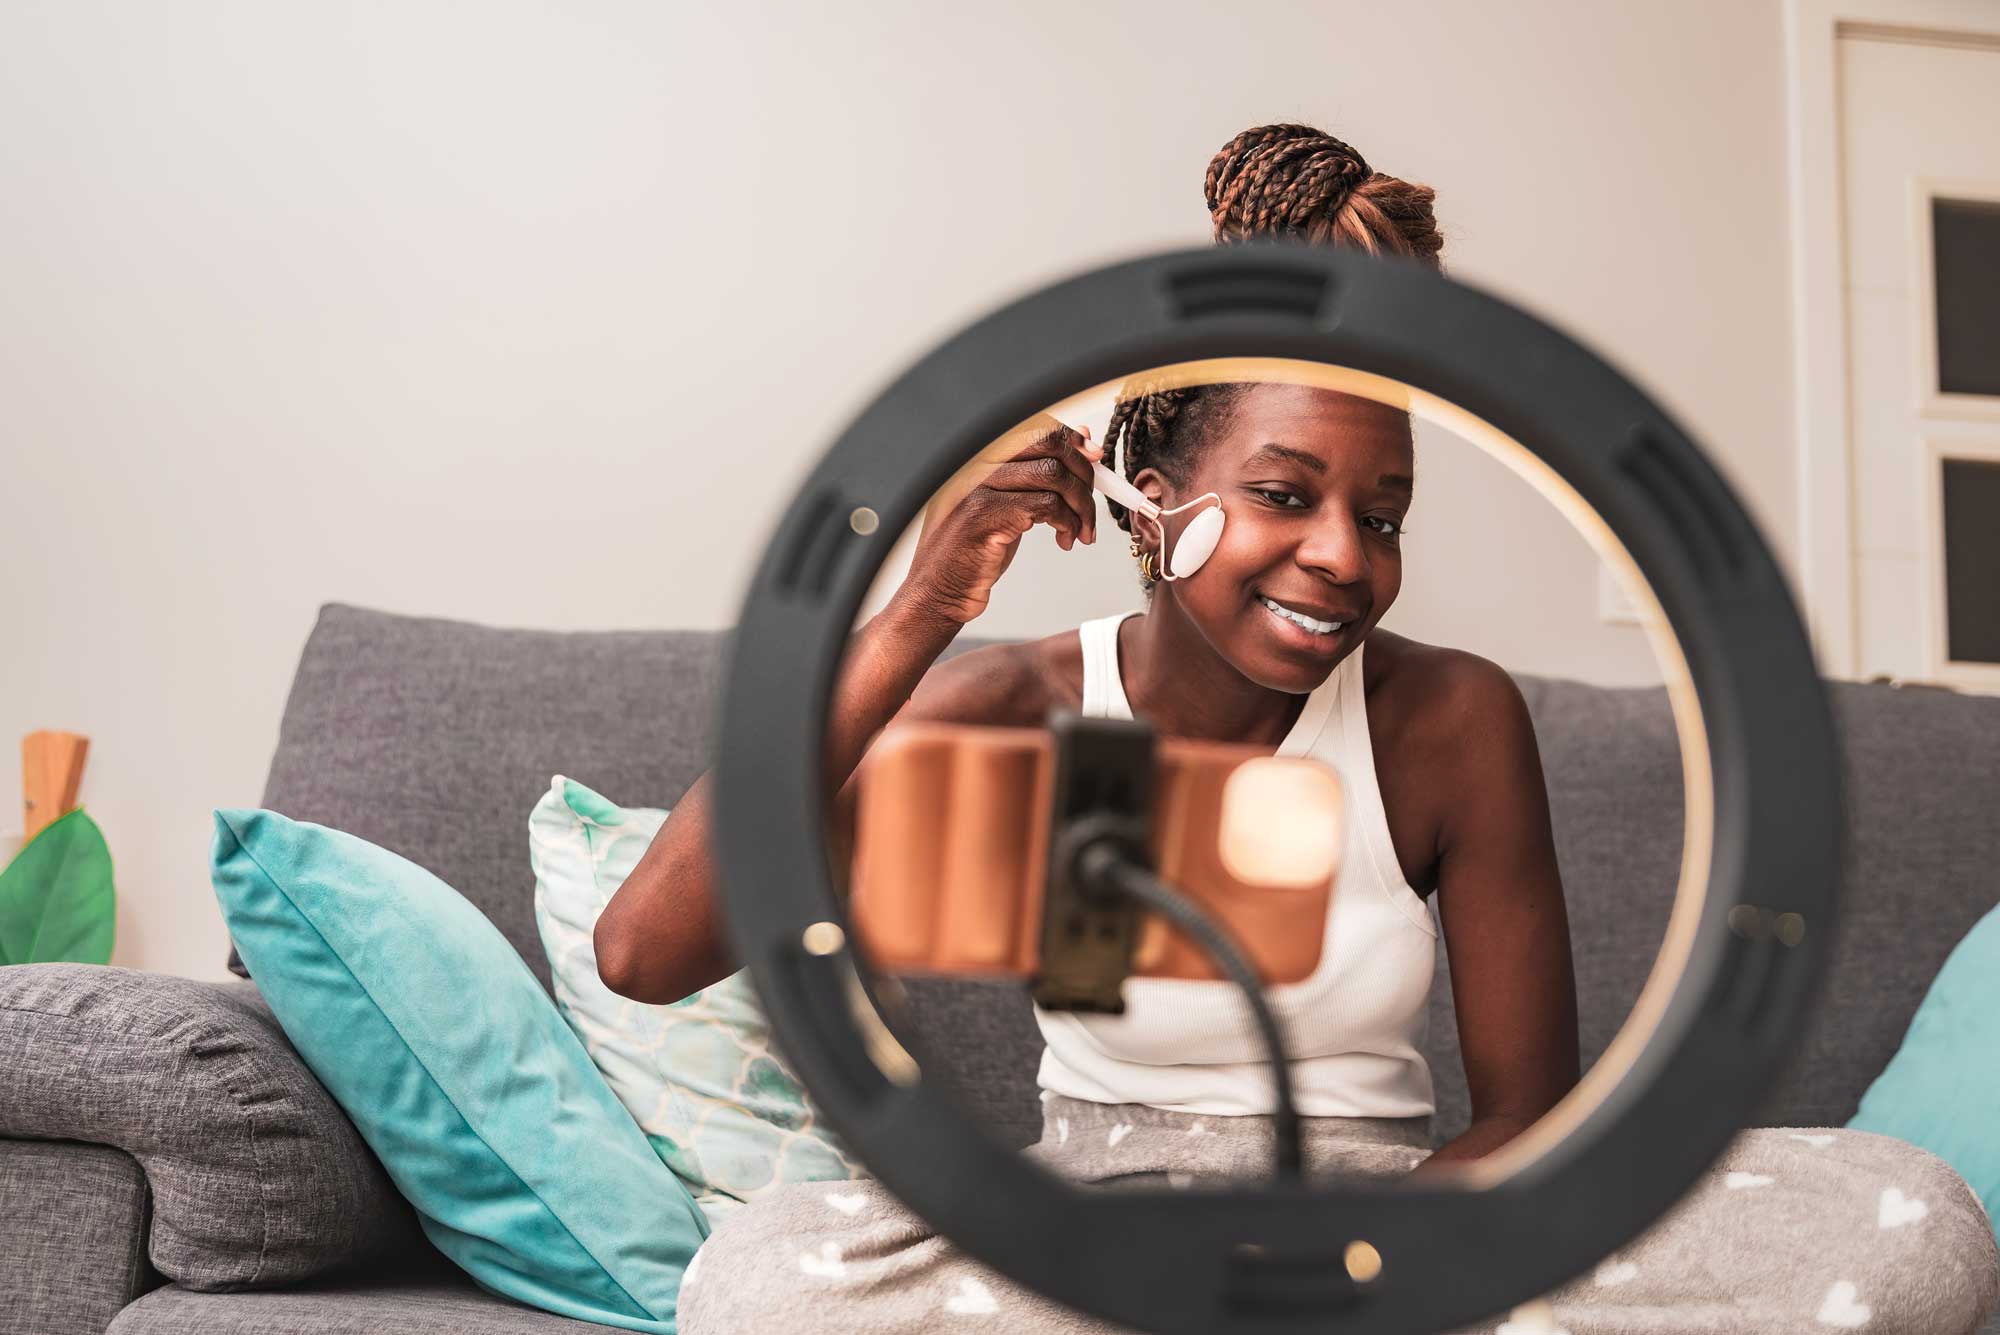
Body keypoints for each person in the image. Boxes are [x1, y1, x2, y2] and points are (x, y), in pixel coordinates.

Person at [600, 124, 1998, 1335]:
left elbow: (1528, 1123)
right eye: (1284, 494)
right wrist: (918, 612)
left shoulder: (1447, 719)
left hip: (1396, 1237)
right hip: (1081, 1240)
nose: (1342, 553)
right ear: (1150, 493)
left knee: (1912, 1225)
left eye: (1381, 514)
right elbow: (646, 951)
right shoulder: (1021, 708)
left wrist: (1343, 1277)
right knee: (760, 1281)